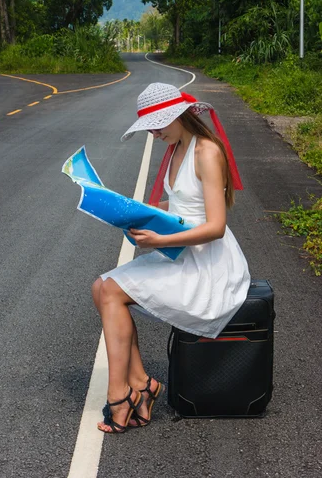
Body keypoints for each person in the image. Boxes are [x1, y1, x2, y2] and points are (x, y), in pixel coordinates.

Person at [92, 82, 251, 434]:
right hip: (182, 253)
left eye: (158, 123)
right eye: (149, 126)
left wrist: (160, 238)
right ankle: (142, 385)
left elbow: (216, 226)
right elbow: (181, 205)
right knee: (99, 287)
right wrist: (138, 210)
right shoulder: (177, 146)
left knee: (112, 291)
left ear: (179, 115)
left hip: (209, 265)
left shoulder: (206, 151)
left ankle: (120, 396)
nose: (154, 131)